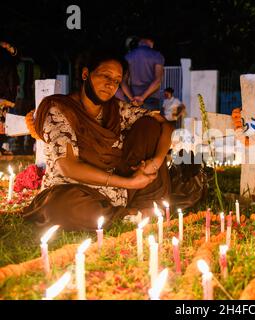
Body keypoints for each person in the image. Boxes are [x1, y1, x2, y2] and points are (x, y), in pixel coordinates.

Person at [22, 47, 174, 231]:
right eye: (106, 76)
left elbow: (165, 125)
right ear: (86, 74)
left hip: (116, 189)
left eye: (117, 81)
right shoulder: (59, 109)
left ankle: (134, 205)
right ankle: (129, 213)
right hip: (72, 189)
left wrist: (156, 162)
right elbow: (68, 166)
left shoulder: (116, 109)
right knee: (60, 208)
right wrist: (130, 183)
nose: (111, 85)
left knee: (149, 125)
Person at [117, 34, 165, 111]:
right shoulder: (157, 55)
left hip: (132, 99)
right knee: (150, 122)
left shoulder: (128, 56)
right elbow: (158, 80)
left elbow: (123, 82)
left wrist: (132, 99)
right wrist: (142, 97)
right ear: (151, 41)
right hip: (151, 99)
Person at [0, 41, 19, 155]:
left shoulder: (8, 63)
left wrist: (8, 47)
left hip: (5, 96)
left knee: (3, 123)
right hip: (5, 95)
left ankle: (1, 146)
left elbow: (16, 57)